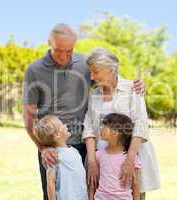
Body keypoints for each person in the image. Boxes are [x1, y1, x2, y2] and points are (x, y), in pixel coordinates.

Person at [22, 23, 145, 200]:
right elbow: (28, 116)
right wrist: (42, 148)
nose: (64, 57)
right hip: (52, 148)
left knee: (86, 193)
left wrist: (136, 85)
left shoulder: (84, 65)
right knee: (53, 193)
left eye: (69, 51)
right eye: (59, 51)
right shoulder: (34, 70)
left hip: (83, 145)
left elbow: (109, 79)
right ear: (49, 42)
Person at [82, 48, 161, 200]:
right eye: (90, 72)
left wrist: (130, 159)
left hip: (130, 157)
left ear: (111, 69)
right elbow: (89, 129)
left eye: (95, 71)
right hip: (101, 162)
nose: (91, 77)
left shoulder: (132, 88)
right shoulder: (94, 94)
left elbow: (140, 125)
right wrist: (92, 161)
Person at [34, 115, 88, 200]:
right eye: (61, 125)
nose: (65, 125)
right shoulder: (53, 156)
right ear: (57, 136)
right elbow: (50, 183)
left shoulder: (74, 151)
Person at [89, 113, 141, 200]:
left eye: (104, 127)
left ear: (115, 133)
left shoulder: (131, 159)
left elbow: (135, 184)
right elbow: (93, 183)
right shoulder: (98, 155)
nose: (101, 129)